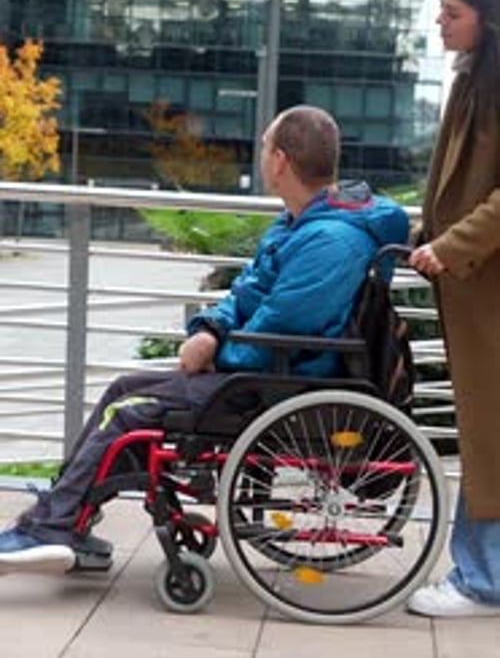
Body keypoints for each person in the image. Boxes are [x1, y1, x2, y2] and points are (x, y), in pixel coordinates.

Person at [0, 105, 408, 574]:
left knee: (128, 412)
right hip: (267, 368)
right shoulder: (302, 222)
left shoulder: (330, 241)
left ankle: (53, 525)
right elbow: (248, 293)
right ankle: (64, 517)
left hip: (277, 381)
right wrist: (210, 331)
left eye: (263, 148)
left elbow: (283, 326)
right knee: (122, 390)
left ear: (279, 160)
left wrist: (220, 358)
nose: (260, 157)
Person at [407, 0, 500, 617]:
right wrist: (427, 231)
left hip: (487, 289)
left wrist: (449, 246)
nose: (439, 20)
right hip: (476, 290)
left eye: (452, 11)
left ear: (488, 22)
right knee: (485, 432)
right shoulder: (473, 79)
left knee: (489, 434)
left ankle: (483, 581)